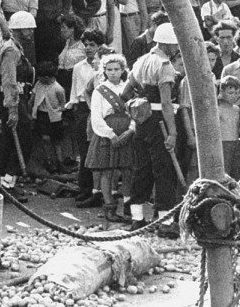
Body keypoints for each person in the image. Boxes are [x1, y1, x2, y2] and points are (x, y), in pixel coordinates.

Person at [121, 22, 183, 237]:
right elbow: (166, 104)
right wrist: (173, 132)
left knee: (142, 169)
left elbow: (125, 93)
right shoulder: (164, 65)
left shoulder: (141, 61)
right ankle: (164, 222)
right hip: (160, 121)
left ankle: (137, 218)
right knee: (164, 170)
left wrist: (139, 105)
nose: (176, 49)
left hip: (141, 121)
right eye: (175, 46)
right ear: (168, 44)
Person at [0, 11, 36, 198]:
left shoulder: (16, 48)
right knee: (21, 140)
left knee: (10, 140)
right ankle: (7, 182)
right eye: (27, 29)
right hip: (11, 100)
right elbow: (9, 81)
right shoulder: (11, 51)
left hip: (16, 99)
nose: (31, 32)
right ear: (17, 29)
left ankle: (6, 181)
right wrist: (13, 109)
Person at [86, 53, 135, 223]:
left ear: (123, 70)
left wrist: (130, 130)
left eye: (116, 69)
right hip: (108, 134)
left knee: (128, 170)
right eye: (109, 70)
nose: (113, 72)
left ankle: (129, 205)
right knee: (107, 171)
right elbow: (96, 116)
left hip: (128, 133)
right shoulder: (100, 91)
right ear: (104, 71)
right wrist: (111, 135)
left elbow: (137, 111)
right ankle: (109, 207)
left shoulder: (129, 89)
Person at [70, 29, 106, 206]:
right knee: (84, 152)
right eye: (86, 45)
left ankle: (98, 191)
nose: (88, 48)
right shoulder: (78, 67)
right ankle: (84, 188)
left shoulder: (105, 66)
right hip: (84, 109)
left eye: (92, 45)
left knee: (98, 151)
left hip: (101, 109)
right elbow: (75, 92)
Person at [30, 61, 67, 173]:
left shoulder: (58, 88)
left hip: (55, 117)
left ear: (47, 77)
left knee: (57, 140)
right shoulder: (38, 85)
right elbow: (33, 97)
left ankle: (59, 162)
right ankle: (49, 161)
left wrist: (60, 112)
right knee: (45, 138)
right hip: (42, 115)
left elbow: (62, 103)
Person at [217, 75, 240, 179]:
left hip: (235, 143)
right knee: (225, 172)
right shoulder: (218, 109)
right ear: (222, 92)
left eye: (237, 93)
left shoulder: (236, 109)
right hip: (223, 144)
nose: (234, 96)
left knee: (237, 172)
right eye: (230, 93)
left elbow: (236, 127)